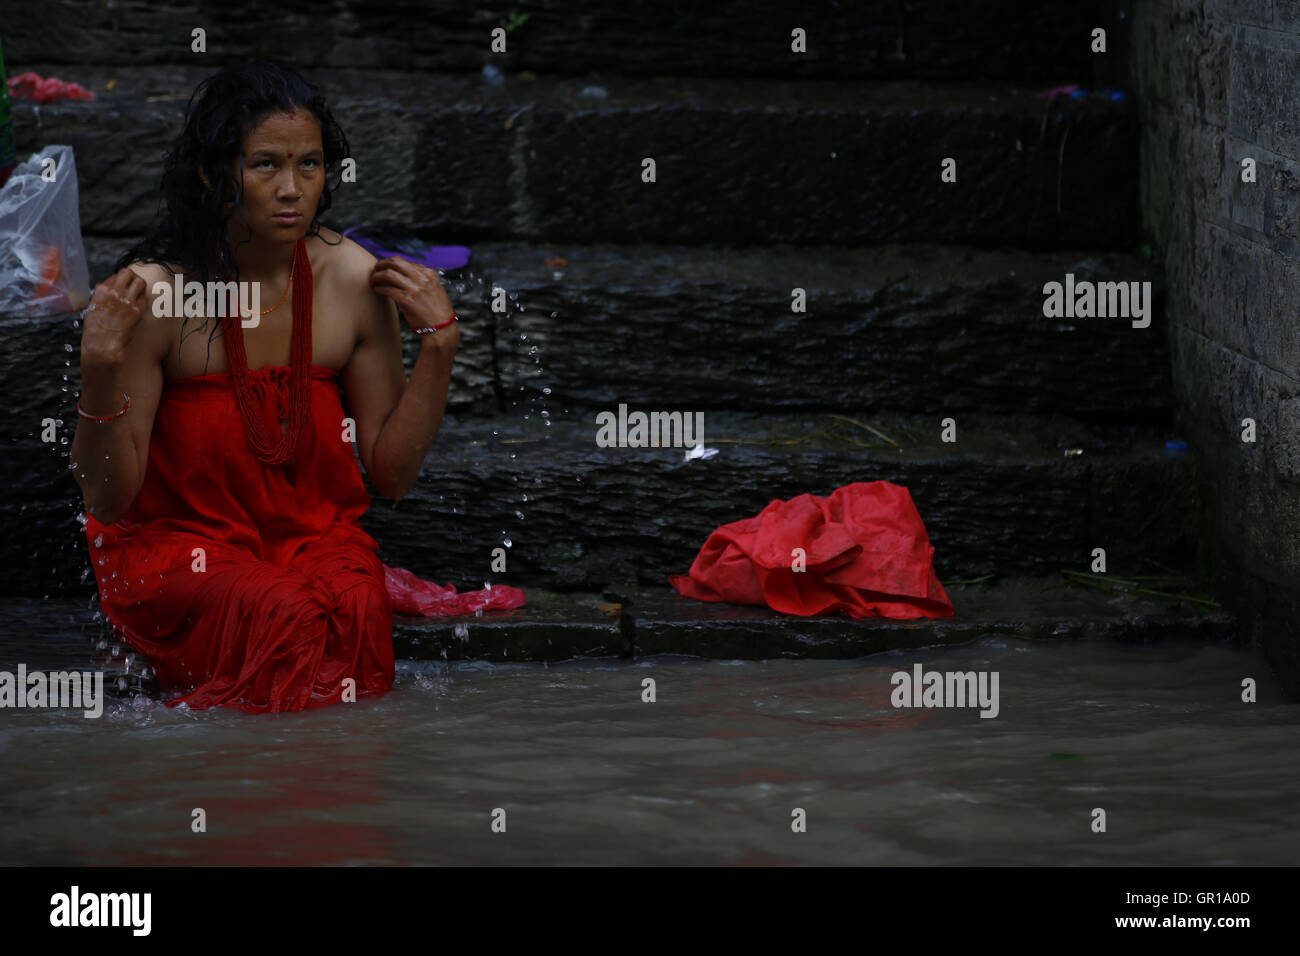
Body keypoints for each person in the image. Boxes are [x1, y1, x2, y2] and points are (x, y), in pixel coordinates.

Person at [70, 61, 462, 713]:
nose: (291, 189)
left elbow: (390, 476)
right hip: (178, 547)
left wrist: (440, 348)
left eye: (309, 165)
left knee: (359, 609)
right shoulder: (159, 296)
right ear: (213, 175)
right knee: (280, 615)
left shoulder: (352, 281)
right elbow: (110, 500)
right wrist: (100, 369)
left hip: (311, 538)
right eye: (265, 166)